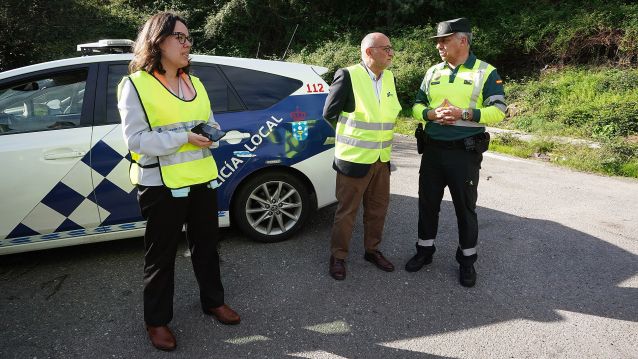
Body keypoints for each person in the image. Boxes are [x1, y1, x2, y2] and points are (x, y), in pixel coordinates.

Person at [117, 12, 240, 351]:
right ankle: (156, 321)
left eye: (189, 38)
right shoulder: (136, 84)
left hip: (201, 179)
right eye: (180, 38)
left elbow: (208, 121)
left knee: (207, 246)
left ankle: (213, 301)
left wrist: (211, 136)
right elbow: (136, 141)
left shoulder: (195, 82)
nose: (188, 44)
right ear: (158, 41)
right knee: (161, 256)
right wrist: (185, 137)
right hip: (161, 186)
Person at [405, 18, 507, 287]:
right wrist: (429, 113)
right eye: (438, 41)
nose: (439, 46)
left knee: (465, 209)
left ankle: (467, 262)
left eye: (444, 40)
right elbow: (415, 106)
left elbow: (499, 111)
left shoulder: (485, 72)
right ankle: (424, 252)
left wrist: (464, 113)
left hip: (464, 154)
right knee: (427, 205)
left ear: (462, 40)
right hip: (433, 151)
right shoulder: (433, 72)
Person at [323, 33, 402, 280]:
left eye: (391, 49)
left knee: (378, 209)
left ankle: (372, 250)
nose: (391, 53)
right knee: (347, 212)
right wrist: (347, 140)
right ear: (369, 52)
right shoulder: (348, 75)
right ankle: (338, 257)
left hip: (382, 159)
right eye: (386, 48)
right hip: (354, 159)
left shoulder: (389, 77)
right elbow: (329, 113)